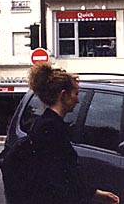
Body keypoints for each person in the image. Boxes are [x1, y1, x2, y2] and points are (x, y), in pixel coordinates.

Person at [24, 62, 119, 204]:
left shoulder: (47, 124)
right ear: (63, 95)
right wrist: (94, 194)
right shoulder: (52, 128)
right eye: (75, 93)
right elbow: (61, 177)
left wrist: (96, 194)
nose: (77, 100)